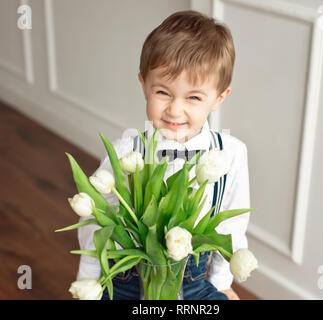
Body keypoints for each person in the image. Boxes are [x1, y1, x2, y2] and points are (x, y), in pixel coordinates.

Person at [76, 10, 251, 300]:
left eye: (193, 97)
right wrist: (88, 280)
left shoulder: (230, 154)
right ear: (143, 85)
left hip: (193, 280)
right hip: (127, 279)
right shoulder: (127, 151)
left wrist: (221, 281)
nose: (174, 109)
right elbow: (97, 221)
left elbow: (231, 227)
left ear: (219, 98)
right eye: (163, 92)